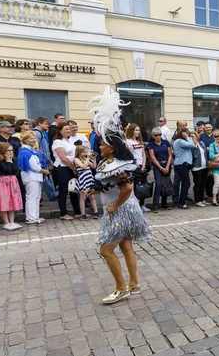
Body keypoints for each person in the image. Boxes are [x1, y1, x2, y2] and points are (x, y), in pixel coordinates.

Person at [89, 86, 152, 304]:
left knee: (106, 250)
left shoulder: (117, 164)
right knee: (125, 246)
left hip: (121, 211)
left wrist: (114, 206)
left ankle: (121, 287)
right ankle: (133, 284)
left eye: (103, 143)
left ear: (113, 148)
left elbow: (126, 188)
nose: (100, 145)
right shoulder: (111, 162)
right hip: (125, 207)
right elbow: (112, 184)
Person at [17, 132, 48, 225]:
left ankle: (35, 216)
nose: (33, 140)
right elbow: (33, 166)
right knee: (31, 198)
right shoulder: (25, 151)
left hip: (35, 177)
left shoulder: (31, 150)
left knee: (36, 198)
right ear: (25, 140)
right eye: (30, 138)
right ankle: (30, 217)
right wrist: (44, 171)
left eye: (34, 138)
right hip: (31, 177)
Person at [52, 122, 81, 220]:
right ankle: (63, 213)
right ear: (60, 131)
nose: (68, 131)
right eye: (66, 129)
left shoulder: (71, 140)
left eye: (69, 129)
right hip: (62, 167)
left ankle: (77, 212)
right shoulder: (57, 142)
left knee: (74, 189)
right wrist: (73, 168)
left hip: (72, 166)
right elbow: (63, 158)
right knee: (63, 190)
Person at [0, 143, 23, 230]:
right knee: (4, 202)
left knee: (12, 202)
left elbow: (15, 171)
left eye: (11, 150)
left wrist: (10, 161)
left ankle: (12, 222)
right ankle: (6, 223)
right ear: (2, 151)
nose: (10, 153)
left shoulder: (14, 160)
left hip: (13, 182)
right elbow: (7, 170)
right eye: (7, 150)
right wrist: (8, 161)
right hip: (3, 182)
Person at [146, 127, 173, 212]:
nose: (158, 137)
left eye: (160, 135)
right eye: (156, 135)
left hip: (167, 164)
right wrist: (161, 168)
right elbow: (153, 158)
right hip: (158, 166)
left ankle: (164, 203)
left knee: (166, 184)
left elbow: (170, 155)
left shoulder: (165, 142)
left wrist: (167, 167)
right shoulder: (151, 144)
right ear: (153, 136)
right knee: (158, 184)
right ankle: (155, 205)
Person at [125, 124, 149, 211]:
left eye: (139, 130)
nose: (138, 132)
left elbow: (143, 155)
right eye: (136, 130)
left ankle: (142, 204)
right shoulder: (128, 141)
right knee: (134, 187)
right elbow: (128, 154)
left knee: (144, 185)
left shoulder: (140, 142)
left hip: (141, 166)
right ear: (132, 131)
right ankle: (134, 206)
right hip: (133, 166)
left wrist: (143, 165)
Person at [171, 128, 195, 209]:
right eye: (187, 133)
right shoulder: (179, 141)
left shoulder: (181, 141)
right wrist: (188, 137)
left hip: (182, 164)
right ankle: (182, 202)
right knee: (187, 183)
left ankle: (181, 200)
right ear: (183, 133)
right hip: (181, 164)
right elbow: (192, 145)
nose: (189, 135)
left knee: (185, 183)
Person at [74, 145, 99, 219]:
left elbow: (94, 166)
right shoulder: (76, 159)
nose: (85, 153)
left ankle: (96, 212)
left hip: (89, 179)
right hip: (83, 180)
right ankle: (83, 213)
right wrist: (88, 158)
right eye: (84, 152)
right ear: (79, 152)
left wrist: (94, 158)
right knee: (83, 197)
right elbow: (83, 166)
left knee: (92, 196)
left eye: (86, 152)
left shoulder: (86, 159)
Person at [191, 132, 209, 207]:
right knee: (197, 184)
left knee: (203, 184)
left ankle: (202, 199)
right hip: (196, 166)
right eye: (190, 137)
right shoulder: (191, 145)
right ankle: (197, 200)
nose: (192, 137)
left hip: (204, 165)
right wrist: (195, 145)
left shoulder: (201, 143)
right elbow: (194, 155)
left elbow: (205, 153)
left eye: (193, 136)